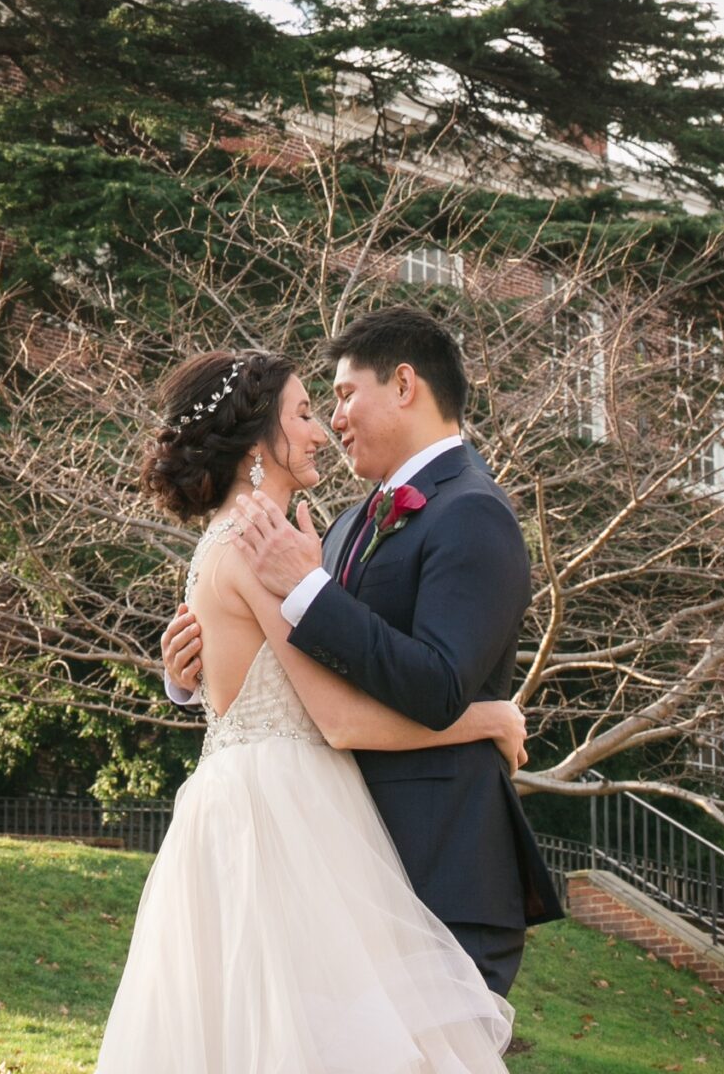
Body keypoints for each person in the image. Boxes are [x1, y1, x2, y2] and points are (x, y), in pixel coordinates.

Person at [96, 347, 520, 1073]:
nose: (321, 427)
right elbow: (340, 720)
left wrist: (184, 681)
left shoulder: (252, 534)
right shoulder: (257, 543)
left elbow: (244, 675)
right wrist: (488, 718)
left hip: (249, 805)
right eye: (301, 413)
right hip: (285, 817)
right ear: (257, 442)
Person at [162, 308, 561, 1001]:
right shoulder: (332, 527)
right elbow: (310, 678)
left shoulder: (471, 511)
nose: (331, 422)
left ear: (403, 384)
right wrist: (191, 678)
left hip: (439, 864)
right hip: (334, 860)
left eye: (341, 397)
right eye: (314, 409)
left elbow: (436, 681)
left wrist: (308, 591)